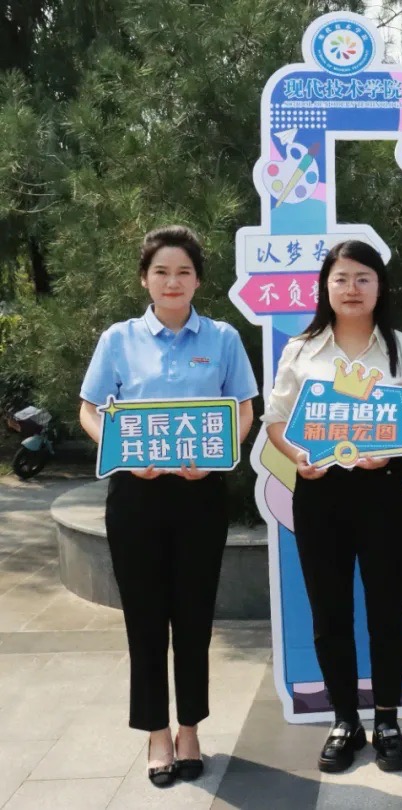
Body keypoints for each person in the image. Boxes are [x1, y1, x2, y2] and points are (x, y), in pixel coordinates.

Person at [78, 226, 258, 787]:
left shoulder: (223, 338)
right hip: (135, 496)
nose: (172, 281)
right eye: (161, 272)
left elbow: (244, 409)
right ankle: (156, 732)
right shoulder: (118, 339)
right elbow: (89, 410)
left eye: (183, 272)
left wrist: (220, 457)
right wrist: (120, 452)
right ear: (145, 279)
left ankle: (190, 729)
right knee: (146, 619)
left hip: (199, 494)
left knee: (194, 617)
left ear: (198, 280)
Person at [264, 240, 402, 773]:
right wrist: (298, 456)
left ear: (380, 286)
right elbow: (276, 421)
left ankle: (386, 720)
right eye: (340, 279)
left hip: (383, 491)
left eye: (363, 278)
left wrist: (396, 447)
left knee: (386, 612)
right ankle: (344, 720)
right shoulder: (302, 349)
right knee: (329, 612)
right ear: (325, 287)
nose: (352, 289)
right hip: (321, 491)